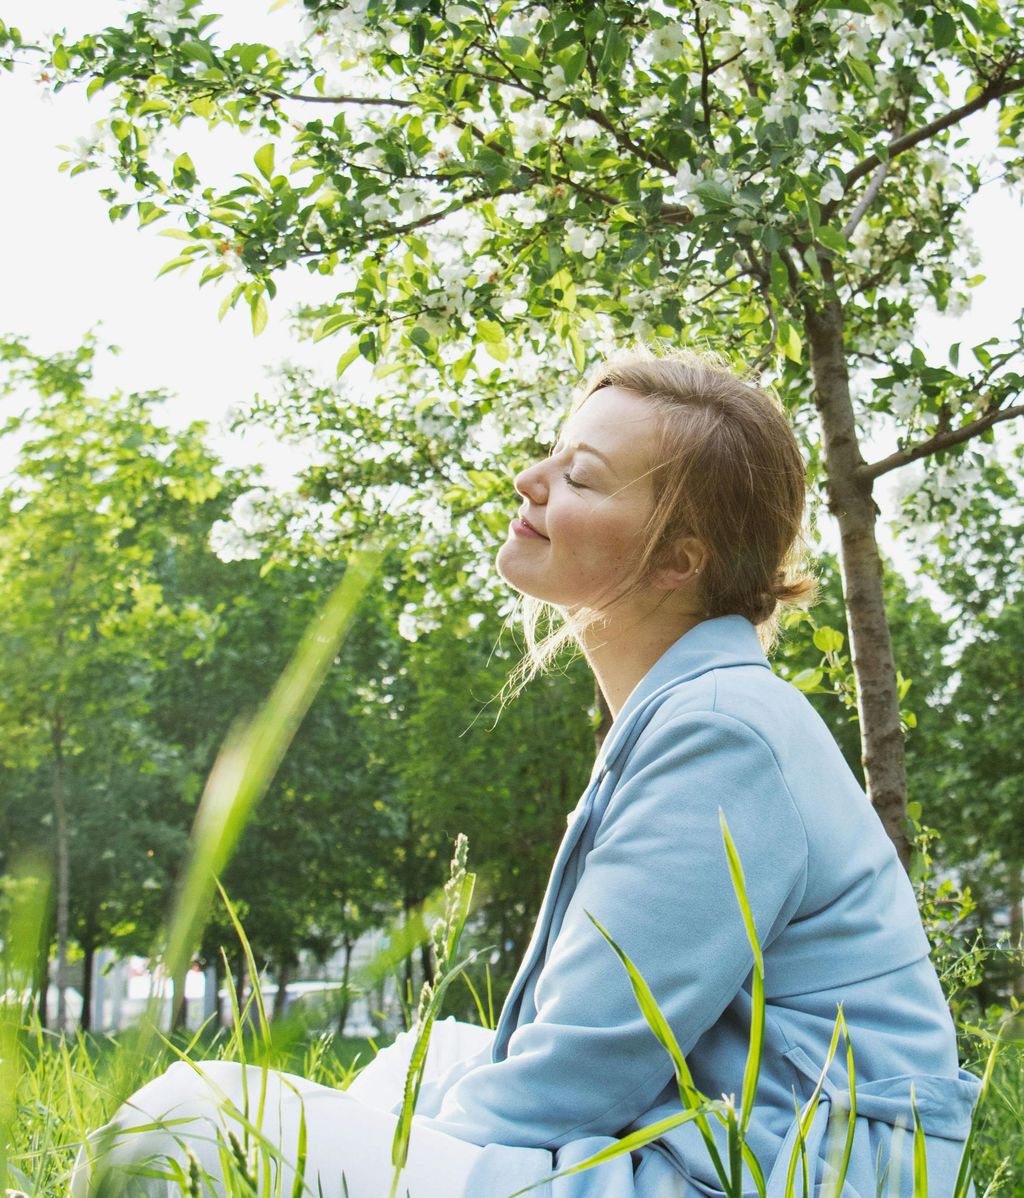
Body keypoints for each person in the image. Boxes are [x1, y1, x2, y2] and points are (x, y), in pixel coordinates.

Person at [71, 349, 981, 1198]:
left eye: (580, 477)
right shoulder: (706, 707)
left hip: (772, 1172)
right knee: (420, 1061)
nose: (530, 482)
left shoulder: (720, 732)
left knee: (183, 1120)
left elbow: (584, 1064)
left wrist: (393, 1150)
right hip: (733, 1143)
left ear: (679, 560)